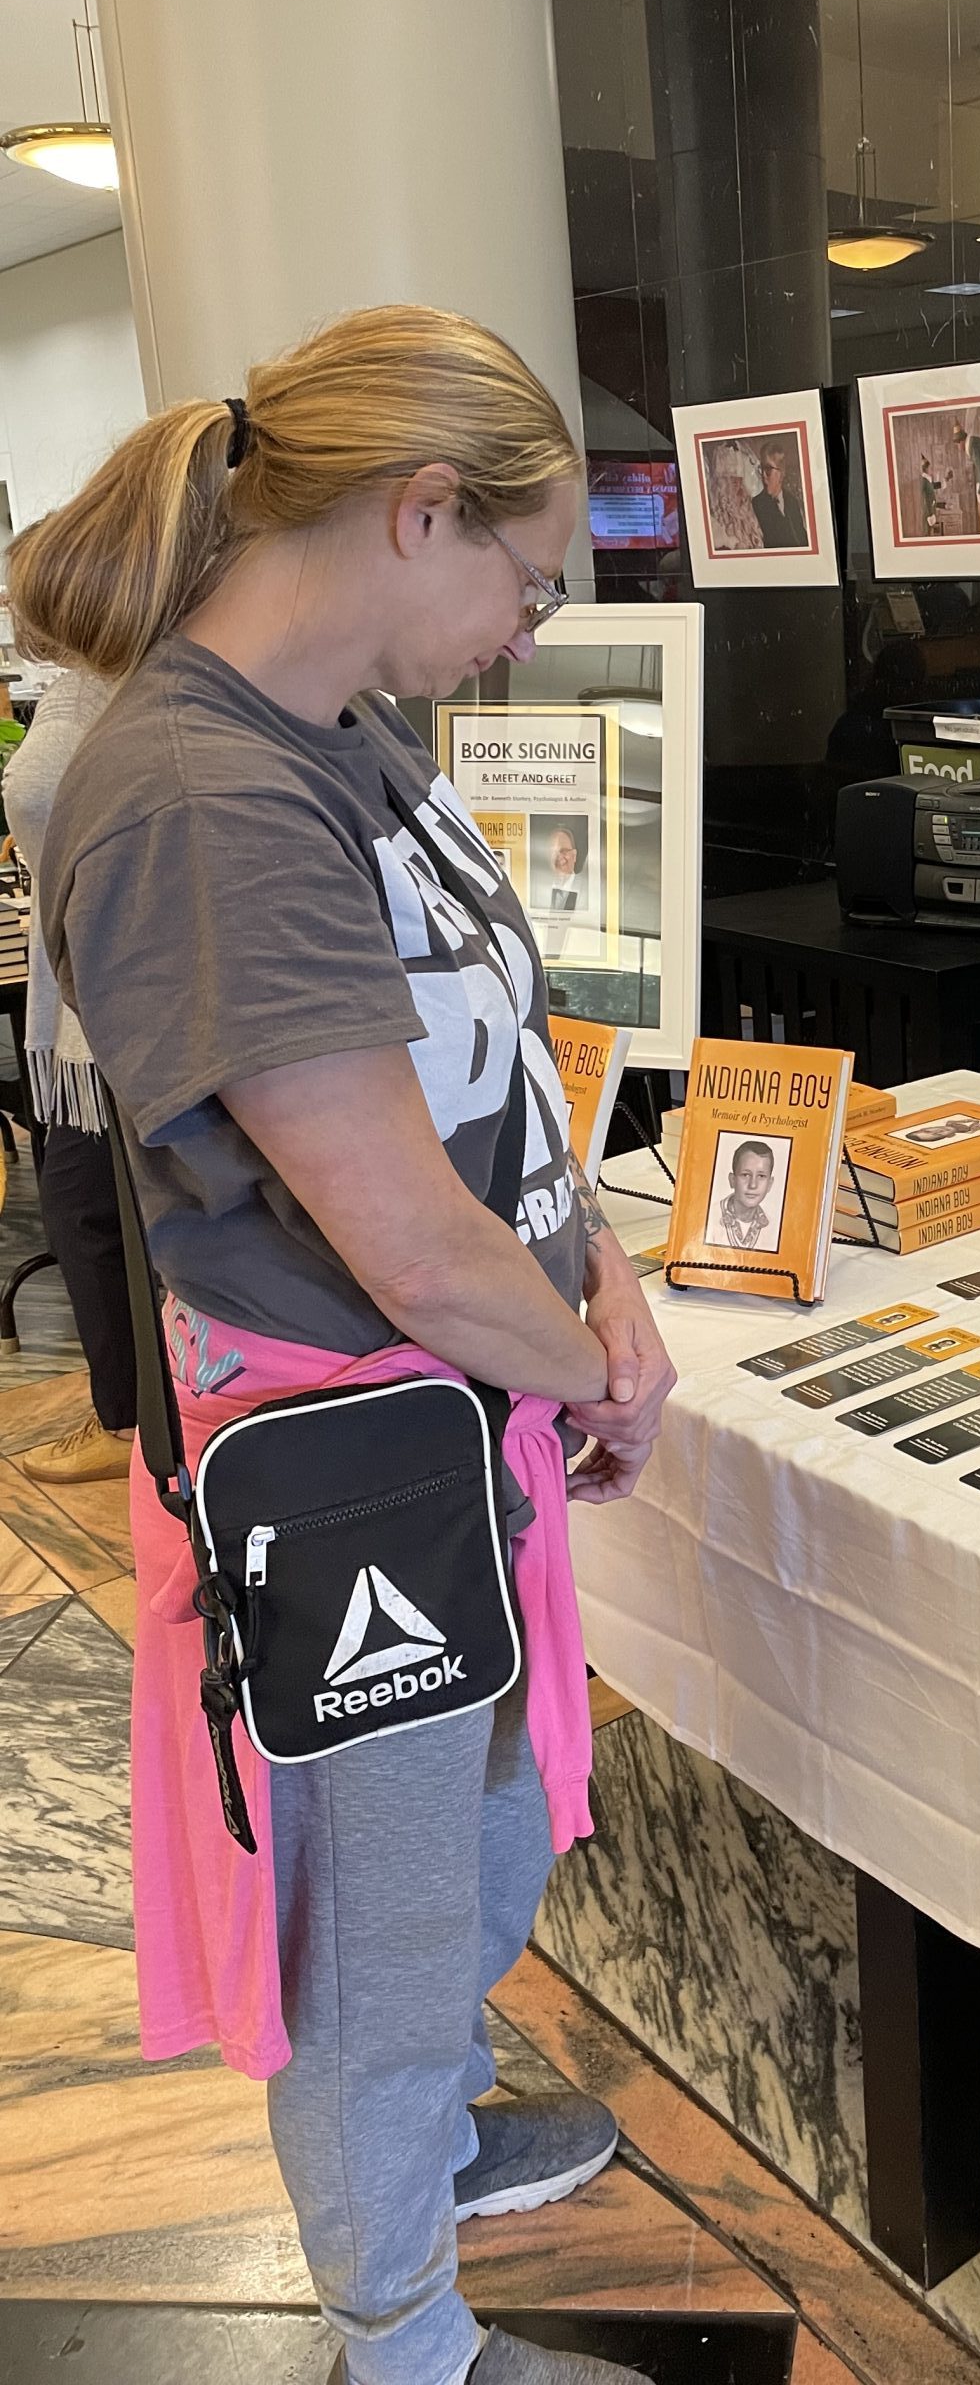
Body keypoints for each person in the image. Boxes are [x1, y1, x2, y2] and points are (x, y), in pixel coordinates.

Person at [16, 303, 677, 2385]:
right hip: (345, 1443)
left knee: (471, 1835)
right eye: (525, 574)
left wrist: (605, 1275)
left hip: (449, 1403)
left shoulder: (339, 733)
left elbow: (491, 1087)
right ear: (418, 513)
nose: (524, 622)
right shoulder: (201, 793)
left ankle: (434, 2150)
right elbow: (396, 1233)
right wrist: (592, 1361)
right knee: (375, 1923)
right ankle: (406, 2334)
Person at [2, 663, 138, 1484]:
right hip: (90, 1009)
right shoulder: (100, 681)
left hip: (111, 1016)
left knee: (92, 1212)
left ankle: (136, 1421)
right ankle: (136, 1414)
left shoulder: (113, 678)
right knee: (94, 1210)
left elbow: (44, 796)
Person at [712, 1138, 777, 1251]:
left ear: (770, 1184)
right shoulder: (711, 1217)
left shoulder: (774, 1229)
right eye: (745, 1175)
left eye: (761, 1176)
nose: (753, 1185)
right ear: (732, 1180)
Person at [748, 441, 808, 550]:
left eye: (768, 469)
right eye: (761, 469)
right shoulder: (756, 505)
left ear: (781, 472)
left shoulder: (792, 502)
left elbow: (802, 539)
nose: (763, 475)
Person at [544, 819, 584, 913]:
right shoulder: (540, 890)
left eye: (564, 851)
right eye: (553, 851)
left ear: (574, 856)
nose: (559, 857)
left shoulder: (586, 890)